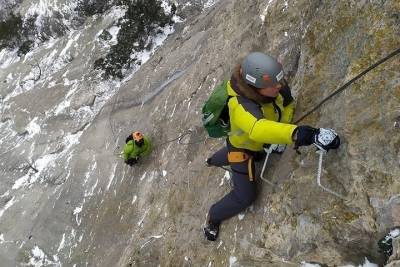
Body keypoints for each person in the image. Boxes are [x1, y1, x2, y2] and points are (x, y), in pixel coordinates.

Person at [203, 52, 340, 241]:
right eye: (273, 84)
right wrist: (296, 133)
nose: (280, 85)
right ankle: (214, 215)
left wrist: (281, 130)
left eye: (279, 80)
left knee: (248, 151)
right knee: (245, 197)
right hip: (242, 148)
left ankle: (211, 160)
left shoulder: (276, 88)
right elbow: (257, 128)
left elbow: (288, 105)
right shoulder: (239, 105)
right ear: (255, 86)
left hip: (256, 142)